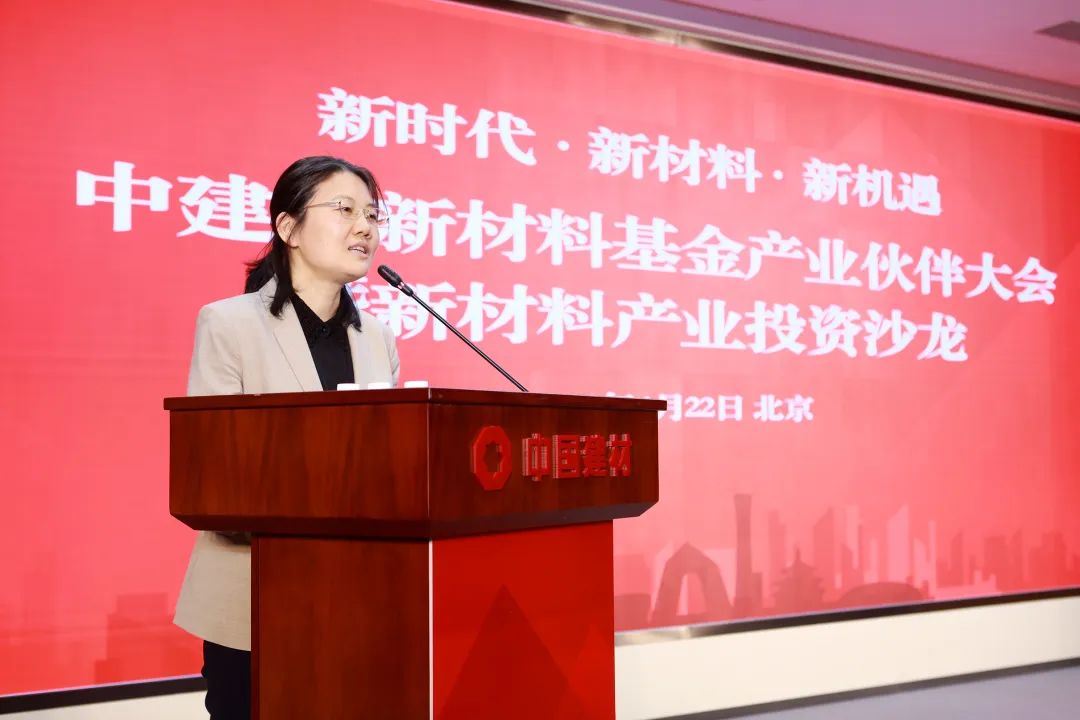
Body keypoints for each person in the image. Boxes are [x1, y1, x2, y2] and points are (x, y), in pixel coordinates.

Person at [172, 156, 400, 720]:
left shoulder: (377, 339)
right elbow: (216, 474)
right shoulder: (229, 324)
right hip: (255, 601)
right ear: (288, 227)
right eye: (345, 209)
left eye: (373, 215)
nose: (365, 227)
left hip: (356, 601)